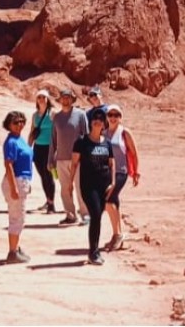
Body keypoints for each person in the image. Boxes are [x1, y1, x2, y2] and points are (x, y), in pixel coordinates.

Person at [72, 110, 116, 265]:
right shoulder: (82, 141)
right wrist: (69, 184)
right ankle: (93, 252)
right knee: (96, 215)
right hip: (88, 185)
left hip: (104, 186)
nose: (97, 121)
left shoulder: (107, 143)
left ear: (104, 123)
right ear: (90, 122)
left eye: (101, 119)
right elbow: (74, 163)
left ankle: (94, 251)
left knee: (98, 217)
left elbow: (111, 164)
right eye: (95, 119)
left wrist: (113, 182)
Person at [48, 88, 89, 226]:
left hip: (78, 159)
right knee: (65, 189)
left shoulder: (80, 115)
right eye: (63, 97)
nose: (66, 100)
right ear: (60, 100)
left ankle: (85, 214)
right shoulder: (57, 118)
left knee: (80, 187)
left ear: (72, 99)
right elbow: (53, 139)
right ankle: (70, 215)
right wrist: (50, 159)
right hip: (61, 159)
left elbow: (86, 136)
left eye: (68, 97)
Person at [103, 103, 140, 252]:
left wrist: (136, 172)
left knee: (108, 201)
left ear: (120, 117)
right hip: (107, 173)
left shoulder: (124, 133)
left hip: (121, 172)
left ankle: (117, 235)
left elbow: (134, 153)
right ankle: (116, 235)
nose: (113, 118)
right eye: (110, 115)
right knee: (114, 203)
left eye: (116, 115)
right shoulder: (103, 133)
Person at [1, 110, 34, 264]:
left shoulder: (19, 139)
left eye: (21, 121)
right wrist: (14, 187)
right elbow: (8, 165)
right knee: (17, 218)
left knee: (19, 216)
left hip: (22, 180)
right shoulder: (11, 142)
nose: (19, 124)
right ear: (8, 125)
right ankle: (12, 252)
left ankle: (16, 247)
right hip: (16, 180)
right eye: (15, 122)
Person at [28, 90, 57, 213]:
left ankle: (51, 204)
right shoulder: (35, 115)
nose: (41, 99)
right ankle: (48, 200)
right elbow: (32, 131)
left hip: (49, 148)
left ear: (47, 99)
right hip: (38, 148)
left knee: (48, 175)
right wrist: (28, 147)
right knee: (42, 176)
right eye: (39, 97)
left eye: (43, 97)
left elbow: (58, 130)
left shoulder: (52, 113)